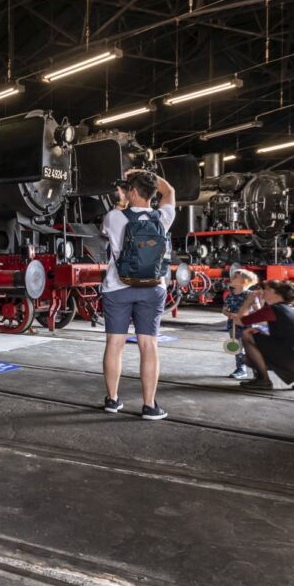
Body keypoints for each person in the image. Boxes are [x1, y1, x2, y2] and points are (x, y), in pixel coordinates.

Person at [100, 168, 176, 421]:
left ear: (131, 191)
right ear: (153, 193)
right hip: (153, 288)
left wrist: (123, 200)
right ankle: (149, 405)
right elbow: (170, 192)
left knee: (115, 343)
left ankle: (112, 400)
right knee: (148, 344)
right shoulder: (164, 216)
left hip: (118, 287)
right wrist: (149, 175)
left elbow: (112, 227)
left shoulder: (113, 217)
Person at [229, 280, 294, 390]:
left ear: (276, 292)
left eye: (266, 289)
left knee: (247, 338)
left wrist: (249, 299)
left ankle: (263, 380)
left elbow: (240, 321)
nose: (262, 291)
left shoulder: (273, 309)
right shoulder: (288, 309)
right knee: (255, 333)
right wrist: (262, 330)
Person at [223, 269, 261, 380]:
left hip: (248, 327)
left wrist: (246, 316)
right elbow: (224, 310)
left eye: (235, 277)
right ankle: (240, 369)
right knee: (237, 348)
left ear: (244, 281)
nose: (231, 278)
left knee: (251, 349)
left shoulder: (251, 295)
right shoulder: (230, 296)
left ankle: (257, 371)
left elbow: (258, 311)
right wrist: (230, 315)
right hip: (233, 326)